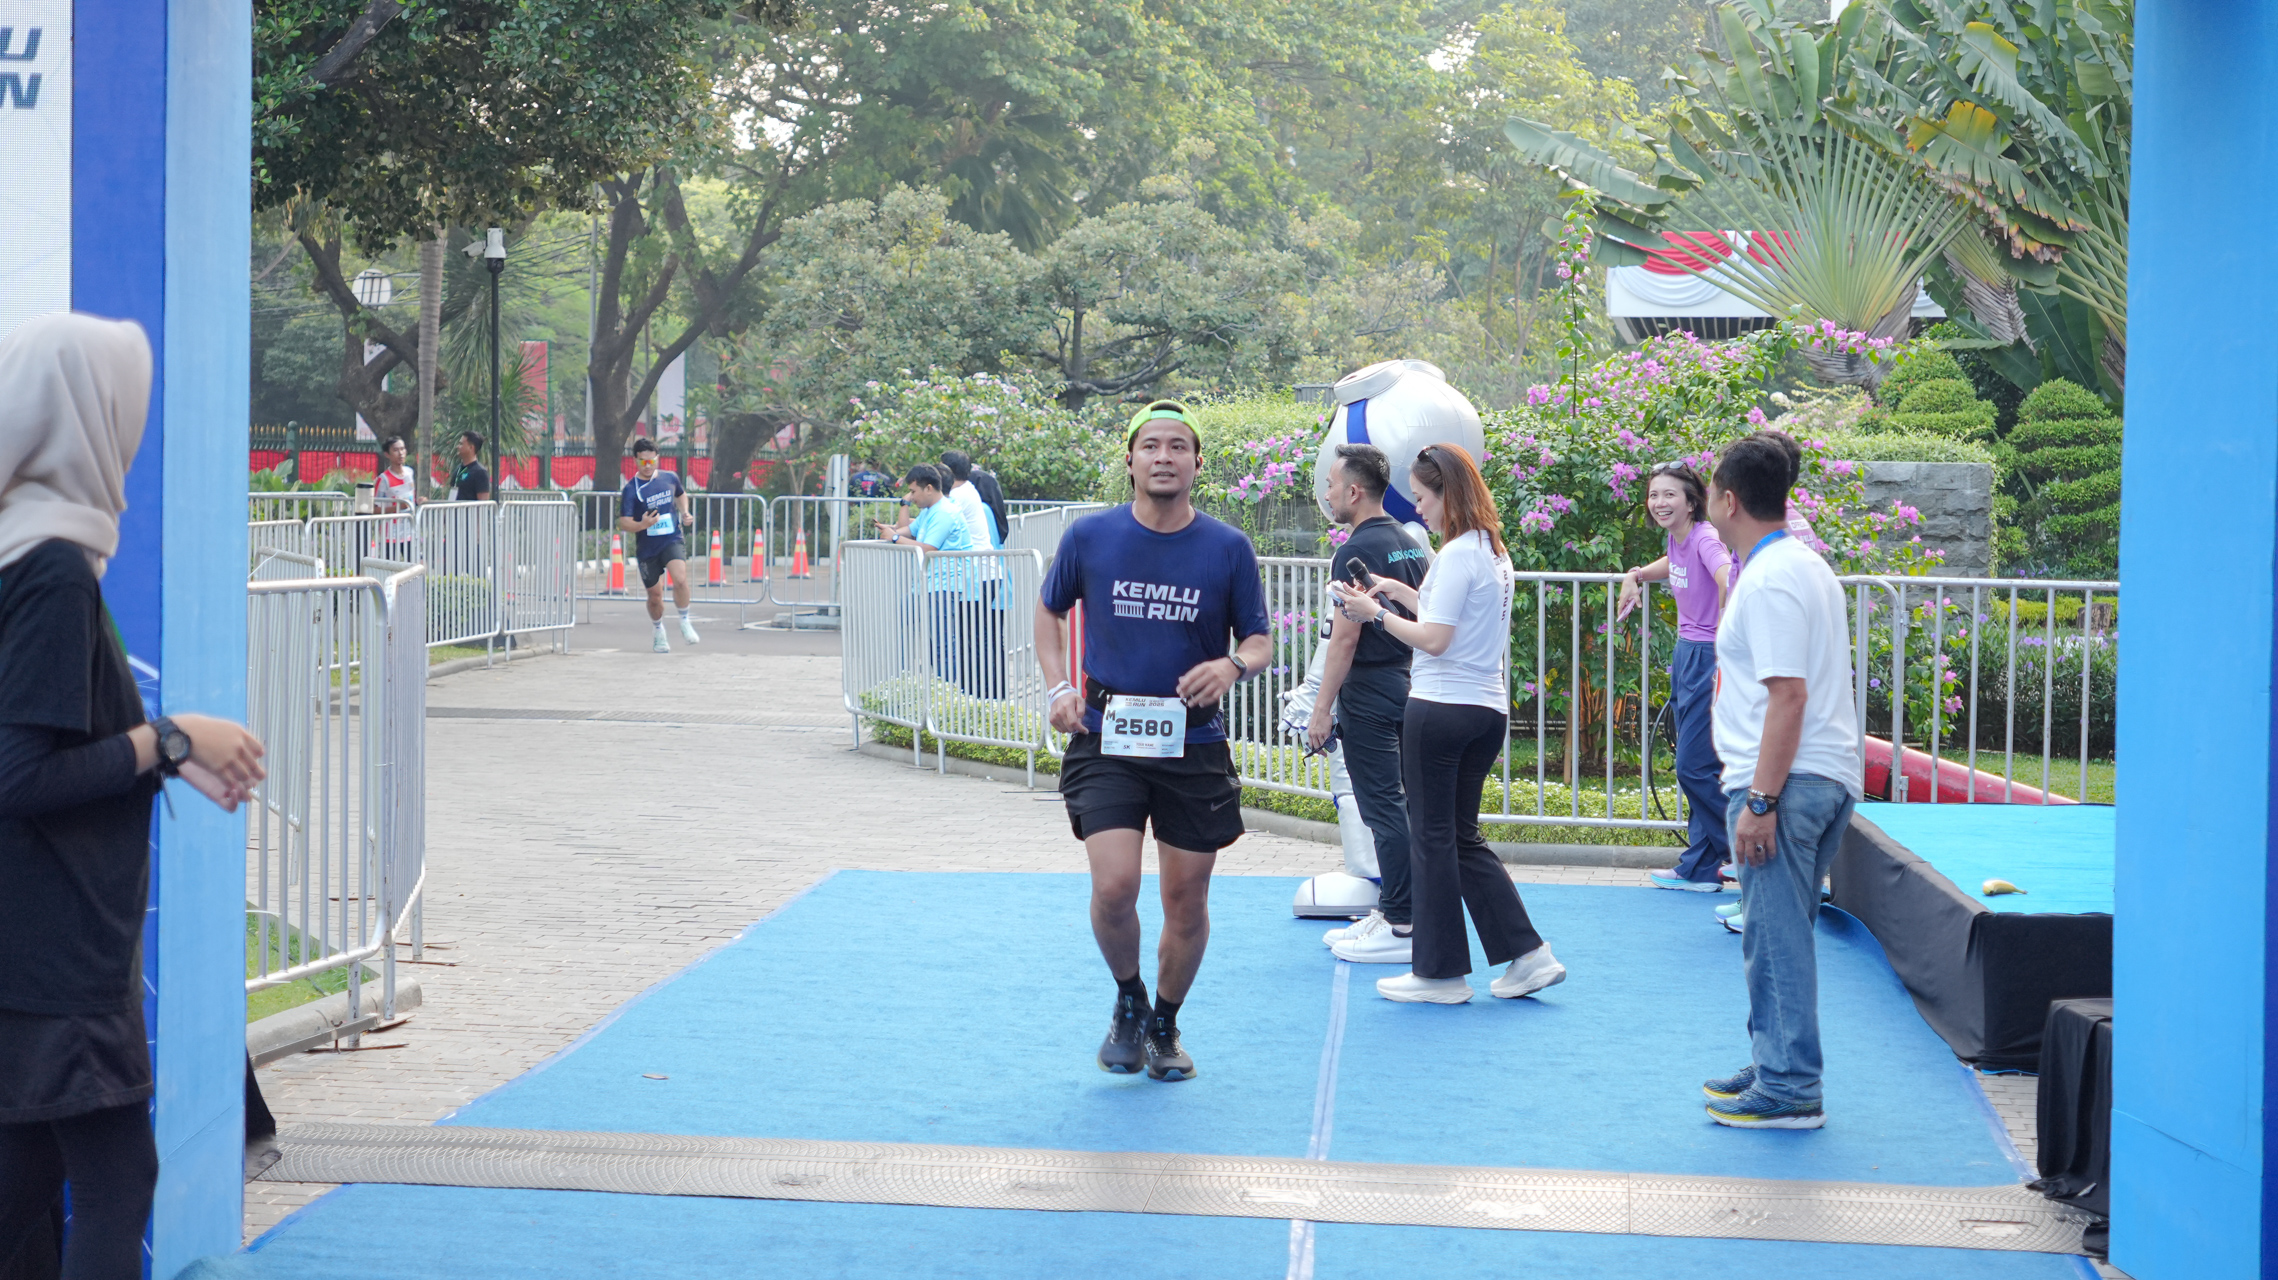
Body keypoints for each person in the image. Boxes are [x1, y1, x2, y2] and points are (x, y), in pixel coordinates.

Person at [0, 313, 268, 1279]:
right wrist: (170, 737)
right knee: (115, 1181)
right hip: (55, 947)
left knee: (28, 1181)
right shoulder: (52, 569)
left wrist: (159, 755)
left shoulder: (26, 551)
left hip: (37, 940)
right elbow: (19, 774)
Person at [1035, 401, 1270, 1081]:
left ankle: (1164, 1022)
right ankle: (1130, 998)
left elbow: (1259, 639)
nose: (1164, 457)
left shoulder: (1227, 547)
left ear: (1196, 463)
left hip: (1192, 742)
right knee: (1114, 887)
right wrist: (1058, 687)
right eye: (1151, 446)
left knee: (1186, 898)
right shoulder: (1091, 536)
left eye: (1177, 447)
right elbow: (1049, 609)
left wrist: (1232, 665)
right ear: (1131, 461)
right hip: (1106, 733)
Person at [1329, 444, 1564, 1005]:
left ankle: (1439, 974)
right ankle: (1528, 954)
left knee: (1434, 840)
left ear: (1447, 495)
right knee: (1458, 838)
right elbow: (1449, 615)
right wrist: (1398, 592)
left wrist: (1375, 614)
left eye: (1422, 497)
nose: (1417, 509)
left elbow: (1435, 639)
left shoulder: (1458, 553)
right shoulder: (1491, 551)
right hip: (1484, 711)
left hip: (1440, 709)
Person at [1697, 429, 1863, 1131]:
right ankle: (1776, 1061)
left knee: (1774, 935)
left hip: (1788, 784)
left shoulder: (1768, 579)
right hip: (1815, 777)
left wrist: (1761, 801)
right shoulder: (1800, 565)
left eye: (1710, 488)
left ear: (1729, 500)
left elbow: (1787, 694)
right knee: (1778, 930)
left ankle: (1791, 1082)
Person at [1308, 444, 1431, 964]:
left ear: (1354, 492)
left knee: (1383, 808)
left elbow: (1345, 639)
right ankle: (1406, 912)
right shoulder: (1408, 542)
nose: (1328, 494)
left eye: (1332, 486)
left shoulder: (1353, 551)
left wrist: (1321, 710)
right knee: (1406, 805)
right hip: (1409, 683)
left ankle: (1400, 920)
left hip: (1371, 690)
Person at [1616, 461, 1734, 893]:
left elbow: (1727, 575)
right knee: (1697, 763)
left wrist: (1728, 633)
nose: (1659, 503)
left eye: (1670, 495)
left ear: (1691, 501)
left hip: (1709, 656)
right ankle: (1700, 868)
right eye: (1653, 495)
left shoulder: (1704, 537)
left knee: (1694, 766)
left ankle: (1748, 854)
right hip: (1688, 653)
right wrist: (1636, 575)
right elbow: (1673, 562)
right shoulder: (1679, 537)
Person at [874, 465, 975, 688]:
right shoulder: (931, 511)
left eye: (913, 491)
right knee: (913, 634)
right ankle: (910, 686)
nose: (911, 496)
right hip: (928, 585)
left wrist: (893, 538)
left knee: (942, 646)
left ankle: (946, 693)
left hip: (944, 587)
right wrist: (889, 531)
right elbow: (906, 531)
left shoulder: (945, 512)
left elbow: (928, 548)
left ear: (928, 488)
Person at [618, 438, 700, 653]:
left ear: (658, 458)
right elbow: (624, 522)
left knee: (680, 579)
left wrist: (685, 513)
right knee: (655, 596)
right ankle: (658, 630)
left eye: (651, 461)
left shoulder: (669, 477)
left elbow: (680, 494)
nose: (648, 466)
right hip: (647, 548)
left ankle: (685, 620)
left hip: (671, 539)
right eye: (643, 462)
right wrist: (642, 524)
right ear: (635, 461)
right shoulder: (631, 489)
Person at [938, 450, 1006, 698]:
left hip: (977, 577)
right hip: (980, 576)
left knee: (975, 639)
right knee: (979, 637)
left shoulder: (958, 496)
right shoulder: (967, 491)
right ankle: (986, 694)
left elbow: (938, 524)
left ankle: (980, 694)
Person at [449, 431, 491, 502]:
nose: (458, 447)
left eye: (461, 444)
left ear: (471, 447)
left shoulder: (480, 472)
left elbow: (483, 503)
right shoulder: (458, 469)